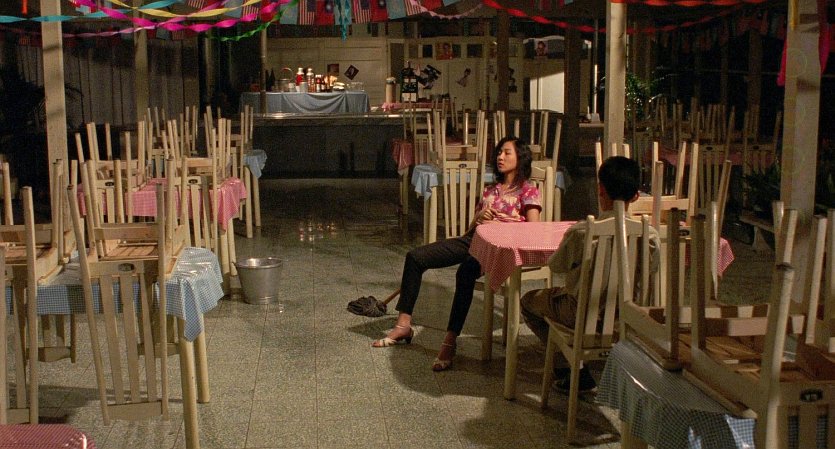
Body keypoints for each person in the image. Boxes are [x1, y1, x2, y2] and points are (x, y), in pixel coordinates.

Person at [373, 137, 542, 371]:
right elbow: (473, 227)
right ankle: (403, 325)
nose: (500, 157)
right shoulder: (491, 190)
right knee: (415, 257)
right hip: (473, 239)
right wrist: (479, 218)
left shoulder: (528, 190)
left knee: (465, 272)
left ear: (520, 158)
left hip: (497, 248)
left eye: (507, 153)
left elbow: (533, 231)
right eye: (499, 153)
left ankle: (450, 341)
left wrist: (505, 225)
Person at [520, 156, 658, 391]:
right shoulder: (651, 235)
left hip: (581, 314)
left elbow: (556, 266)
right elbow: (652, 272)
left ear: (600, 189)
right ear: (636, 196)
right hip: (629, 318)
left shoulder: (582, 232)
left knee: (528, 302)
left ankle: (569, 368)